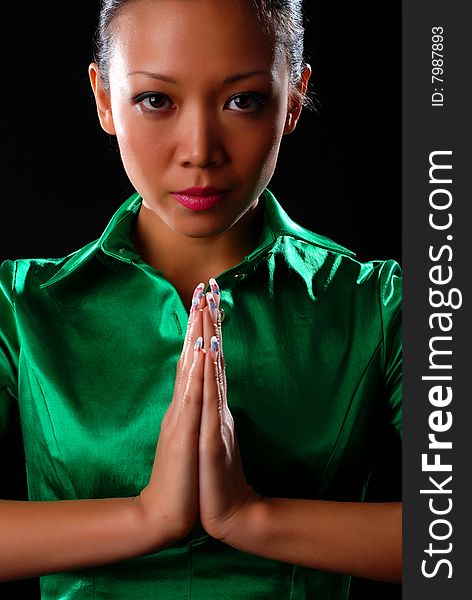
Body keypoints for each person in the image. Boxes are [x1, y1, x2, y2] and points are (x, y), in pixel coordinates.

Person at [0, 0, 402, 598]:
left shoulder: (382, 304)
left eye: (243, 100)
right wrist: (147, 518)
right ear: (104, 97)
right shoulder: (22, 306)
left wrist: (250, 516)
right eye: (157, 100)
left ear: (293, 96)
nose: (200, 151)